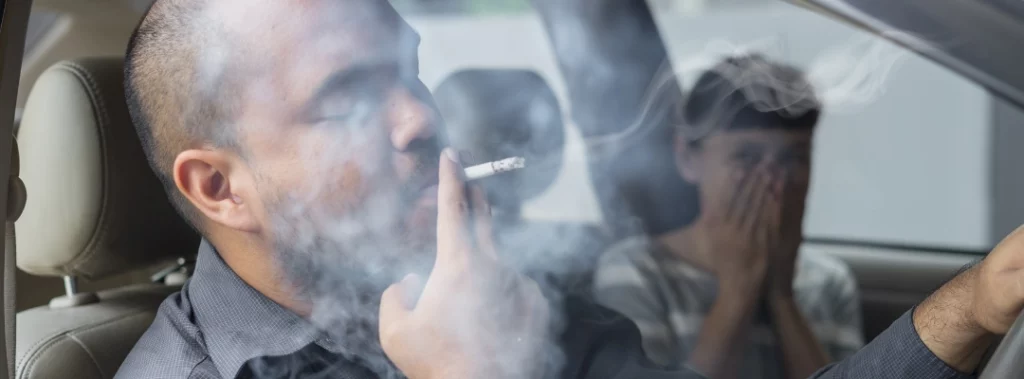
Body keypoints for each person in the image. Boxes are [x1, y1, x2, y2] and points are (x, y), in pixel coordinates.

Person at [115, 0, 1024, 378]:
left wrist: (980, 303)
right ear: (220, 187)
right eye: (344, 99)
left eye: (408, 72)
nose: (418, 117)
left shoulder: (500, 295)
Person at [591, 55, 862, 379]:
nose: (773, 183)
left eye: (793, 158)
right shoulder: (637, 272)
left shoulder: (828, 281)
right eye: (746, 158)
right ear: (688, 158)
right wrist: (739, 289)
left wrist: (782, 297)